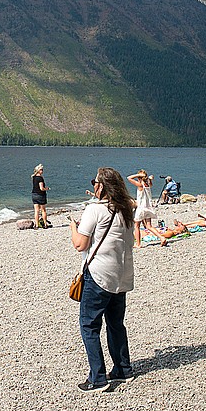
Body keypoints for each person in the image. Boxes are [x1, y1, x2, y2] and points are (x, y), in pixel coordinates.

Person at [70, 167, 135, 392]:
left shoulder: (94, 210)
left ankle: (97, 377)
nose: (93, 185)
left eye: (94, 182)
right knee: (116, 324)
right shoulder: (126, 209)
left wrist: (73, 228)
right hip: (121, 274)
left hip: (99, 274)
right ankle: (122, 369)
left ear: (101, 186)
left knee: (89, 325)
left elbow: (80, 244)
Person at [127, 169, 154, 247]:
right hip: (148, 207)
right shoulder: (147, 184)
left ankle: (138, 244)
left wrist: (137, 175)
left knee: (136, 225)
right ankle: (161, 237)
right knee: (149, 226)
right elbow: (150, 184)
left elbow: (129, 178)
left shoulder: (140, 185)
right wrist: (149, 179)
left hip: (141, 207)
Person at [31, 164, 51, 228]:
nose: (42, 171)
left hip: (34, 194)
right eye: (41, 170)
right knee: (43, 210)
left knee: (36, 211)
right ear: (38, 170)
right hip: (40, 195)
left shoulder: (34, 177)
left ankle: (36, 225)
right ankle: (45, 224)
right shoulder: (40, 178)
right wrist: (47, 188)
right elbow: (41, 188)